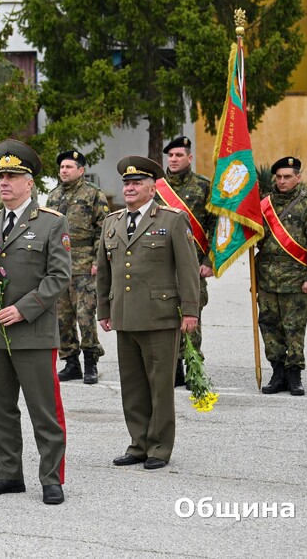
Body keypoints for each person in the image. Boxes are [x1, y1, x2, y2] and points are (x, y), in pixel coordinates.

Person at [0, 139, 71, 506]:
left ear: (30, 183)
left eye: (12, 176)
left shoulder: (51, 223)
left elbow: (59, 277)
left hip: (32, 331)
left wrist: (25, 308)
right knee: (0, 408)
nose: (4, 183)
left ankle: (51, 479)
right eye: (1, 177)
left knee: (43, 410)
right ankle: (7, 474)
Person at [97, 156, 199, 471]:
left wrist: (190, 311)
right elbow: (104, 270)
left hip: (159, 316)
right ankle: (138, 444)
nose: (129, 188)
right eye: (126, 183)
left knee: (159, 387)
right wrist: (104, 308)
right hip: (124, 316)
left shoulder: (172, 219)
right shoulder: (112, 221)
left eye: (136, 182)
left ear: (152, 187)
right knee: (132, 386)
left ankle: (159, 447)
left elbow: (188, 269)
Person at [256, 157, 307, 396]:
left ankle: (294, 373)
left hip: (296, 279)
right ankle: (277, 372)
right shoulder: (264, 204)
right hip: (267, 278)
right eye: (278, 177)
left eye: (287, 177)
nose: (282, 181)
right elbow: (255, 237)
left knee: (294, 328)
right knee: (269, 326)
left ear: (298, 177)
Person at [154, 136, 216, 387]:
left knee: (192, 317)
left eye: (179, 155)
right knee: (166, 318)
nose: (174, 159)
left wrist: (209, 260)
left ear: (189, 158)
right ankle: (174, 370)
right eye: (170, 156)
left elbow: (214, 224)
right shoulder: (156, 187)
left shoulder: (203, 186)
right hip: (161, 266)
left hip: (192, 265)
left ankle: (193, 368)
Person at [44, 150, 110, 384]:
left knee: (85, 315)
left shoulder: (94, 194)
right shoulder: (53, 196)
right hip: (60, 264)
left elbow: (104, 230)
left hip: (84, 265)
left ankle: (90, 362)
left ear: (81, 170)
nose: (64, 170)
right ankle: (71, 362)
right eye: (62, 167)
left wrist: (97, 261)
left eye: (69, 167)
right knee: (62, 316)